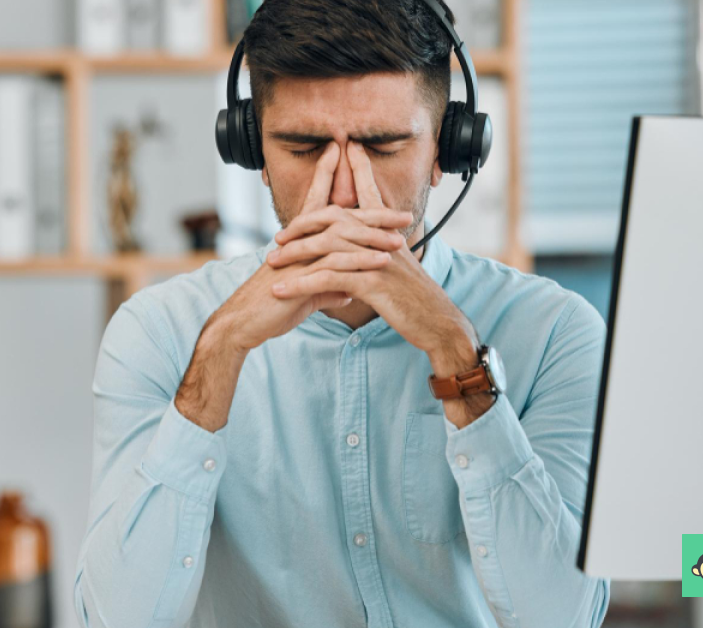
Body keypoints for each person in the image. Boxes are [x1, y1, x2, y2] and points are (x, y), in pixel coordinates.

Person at [73, 0, 611, 626]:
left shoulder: (553, 333)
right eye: (303, 147)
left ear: (448, 148)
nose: (346, 192)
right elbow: (113, 619)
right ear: (253, 151)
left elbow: (566, 617)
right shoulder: (160, 333)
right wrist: (216, 360)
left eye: (382, 146)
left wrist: (460, 362)